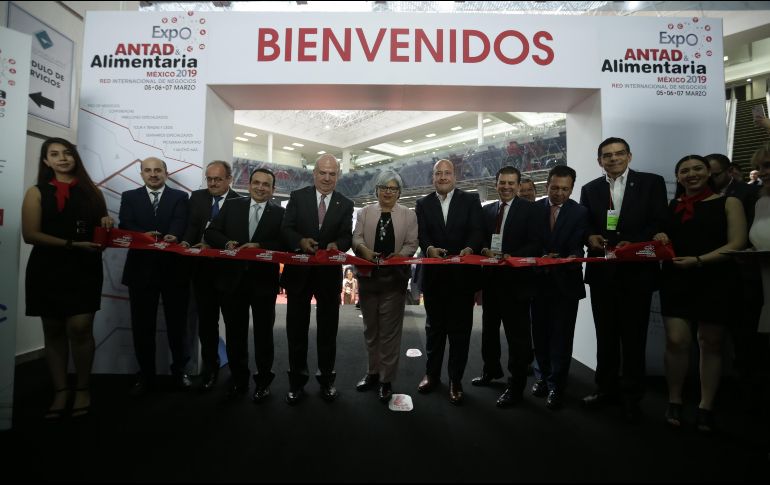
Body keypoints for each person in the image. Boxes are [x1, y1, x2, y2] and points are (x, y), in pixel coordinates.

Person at [653, 155, 746, 432]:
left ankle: (706, 404)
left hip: (715, 278)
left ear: (709, 172)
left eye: (697, 169)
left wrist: (700, 260)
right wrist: (659, 236)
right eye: (684, 170)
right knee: (676, 341)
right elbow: (661, 235)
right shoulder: (672, 206)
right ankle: (675, 399)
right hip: (676, 279)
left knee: (711, 342)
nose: (691, 174)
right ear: (678, 176)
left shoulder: (729, 202)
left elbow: (738, 243)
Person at [22, 138, 113, 419]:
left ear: (75, 158)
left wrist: (107, 226)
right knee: (53, 329)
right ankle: (61, 391)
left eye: (67, 153)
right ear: (46, 161)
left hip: (84, 267)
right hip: (47, 268)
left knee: (81, 327)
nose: (62, 158)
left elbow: (102, 236)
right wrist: (72, 245)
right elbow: (30, 235)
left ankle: (82, 387)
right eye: (54, 154)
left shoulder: (92, 192)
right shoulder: (36, 192)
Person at [579, 137, 668, 422]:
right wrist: (589, 237)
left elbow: (659, 221)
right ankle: (605, 390)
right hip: (603, 273)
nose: (613, 159)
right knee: (605, 337)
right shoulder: (590, 189)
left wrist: (636, 242)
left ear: (629, 156)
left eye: (619, 154)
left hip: (636, 273)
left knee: (633, 338)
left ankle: (632, 396)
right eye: (607, 155)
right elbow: (586, 225)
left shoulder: (651, 183)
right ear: (599, 160)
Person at [204, 168, 285, 402]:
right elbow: (211, 232)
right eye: (256, 183)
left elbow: (283, 243)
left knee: (263, 337)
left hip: (264, 284)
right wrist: (226, 242)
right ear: (248, 185)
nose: (261, 187)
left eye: (266, 184)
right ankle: (239, 380)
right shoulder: (232, 206)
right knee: (235, 335)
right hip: (232, 283)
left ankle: (263, 383)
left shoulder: (280, 214)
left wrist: (259, 246)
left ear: (273, 189)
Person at [280, 154, 354, 405]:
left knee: (328, 333)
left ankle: (326, 381)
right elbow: (286, 229)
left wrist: (337, 245)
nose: (327, 178)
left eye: (332, 174)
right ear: (314, 173)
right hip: (299, 275)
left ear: (338, 176)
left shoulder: (345, 203)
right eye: (323, 172)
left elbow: (347, 237)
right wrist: (299, 241)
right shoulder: (297, 197)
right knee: (296, 332)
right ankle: (296, 383)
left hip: (328, 277)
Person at [119, 157, 191, 395]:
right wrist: (144, 236)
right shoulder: (129, 197)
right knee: (142, 327)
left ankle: (180, 371)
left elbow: (181, 222)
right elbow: (126, 223)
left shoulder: (180, 197)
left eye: (157, 170)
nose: (153, 174)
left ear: (166, 173)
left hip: (173, 270)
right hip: (140, 270)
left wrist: (173, 235)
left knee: (177, 325)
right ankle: (146, 374)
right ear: (141, 174)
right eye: (147, 170)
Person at [415, 159, 485, 404]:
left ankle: (456, 380)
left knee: (460, 333)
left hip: (462, 278)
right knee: (434, 330)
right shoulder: (422, 203)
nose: (443, 177)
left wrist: (469, 248)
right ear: (432, 177)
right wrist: (429, 247)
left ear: (455, 176)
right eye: (438, 173)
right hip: (434, 278)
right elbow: (421, 233)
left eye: (447, 173)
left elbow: (478, 230)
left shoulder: (470, 200)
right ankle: (431, 375)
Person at [471, 166, 541, 408]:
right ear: (496, 183)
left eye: (511, 183)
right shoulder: (488, 210)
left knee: (517, 338)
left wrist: (513, 257)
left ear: (519, 185)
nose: (506, 187)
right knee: (489, 332)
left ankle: (516, 385)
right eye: (502, 182)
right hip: (491, 283)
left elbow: (536, 243)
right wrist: (483, 249)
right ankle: (491, 371)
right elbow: (480, 236)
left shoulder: (531, 210)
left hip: (517, 284)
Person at [352, 170, 419, 402]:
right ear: (377, 190)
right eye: (384, 187)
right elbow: (356, 238)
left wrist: (399, 256)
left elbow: (412, 243)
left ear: (399, 192)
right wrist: (364, 250)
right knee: (371, 330)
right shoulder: (365, 212)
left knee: (390, 333)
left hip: (394, 280)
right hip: (368, 278)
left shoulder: (408, 215)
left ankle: (386, 379)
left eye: (393, 188)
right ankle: (372, 372)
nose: (388, 192)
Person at [531, 165, 589, 410]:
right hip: (538, 282)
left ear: (572, 188)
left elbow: (579, 246)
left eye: (565, 189)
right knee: (540, 334)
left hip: (566, 283)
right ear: (546, 186)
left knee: (562, 337)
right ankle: (542, 377)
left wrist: (564, 257)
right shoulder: (533, 210)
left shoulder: (581, 212)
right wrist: (541, 256)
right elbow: (527, 242)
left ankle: (557, 385)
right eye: (554, 188)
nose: (559, 193)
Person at [180, 161, 241, 392]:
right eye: (209, 179)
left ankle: (237, 373)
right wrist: (185, 241)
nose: (213, 183)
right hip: (202, 273)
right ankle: (210, 369)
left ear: (229, 179)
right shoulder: (196, 198)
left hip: (229, 274)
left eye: (218, 179)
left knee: (234, 327)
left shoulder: (240, 202)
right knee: (206, 326)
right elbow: (191, 226)